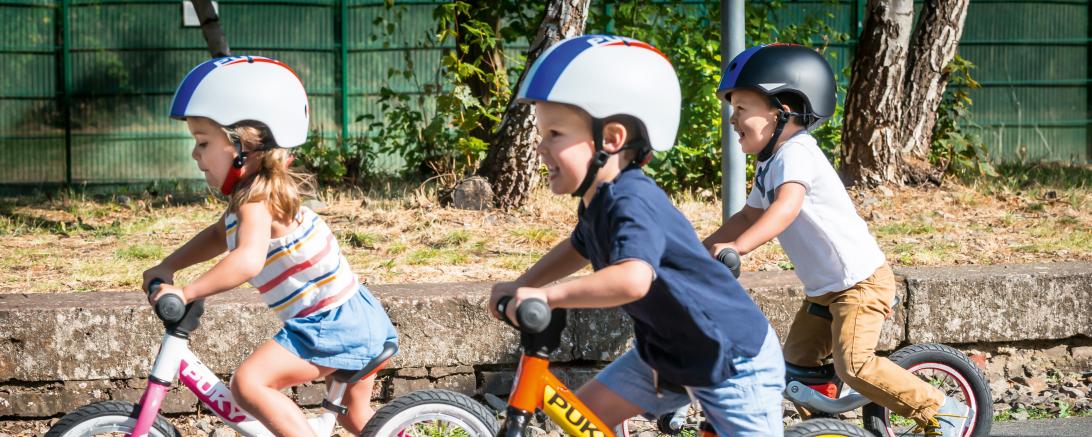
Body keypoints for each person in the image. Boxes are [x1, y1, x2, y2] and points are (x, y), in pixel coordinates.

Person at [488, 35, 785, 436]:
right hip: (665, 354)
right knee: (581, 423)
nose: (541, 148)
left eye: (554, 134)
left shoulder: (633, 201)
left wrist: (548, 295)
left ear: (611, 139)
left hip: (732, 359)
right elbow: (578, 247)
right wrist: (522, 283)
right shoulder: (599, 201)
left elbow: (632, 278)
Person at [704, 44, 972, 437]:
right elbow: (747, 216)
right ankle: (828, 427)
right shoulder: (771, 163)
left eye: (741, 109)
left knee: (855, 364)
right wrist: (696, 251)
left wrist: (738, 248)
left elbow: (785, 209)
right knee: (796, 364)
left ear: (784, 109)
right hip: (825, 292)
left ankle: (942, 411)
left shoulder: (797, 153)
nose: (732, 119)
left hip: (859, 285)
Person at [144, 55, 397, 435]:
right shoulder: (251, 198)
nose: (195, 154)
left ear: (246, 145)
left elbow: (247, 260)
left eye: (202, 142)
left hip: (332, 324)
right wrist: (169, 265)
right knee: (357, 419)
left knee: (249, 384)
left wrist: (186, 290)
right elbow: (218, 236)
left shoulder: (256, 202)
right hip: (350, 315)